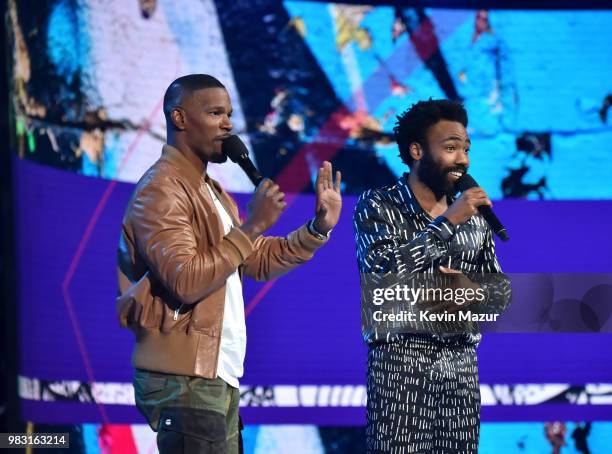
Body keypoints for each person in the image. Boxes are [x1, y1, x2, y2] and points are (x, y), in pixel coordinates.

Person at [116, 74, 342, 453]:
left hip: (216, 371)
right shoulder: (161, 190)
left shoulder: (210, 191)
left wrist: (318, 228)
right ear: (180, 119)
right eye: (216, 112)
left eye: (229, 114)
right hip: (184, 374)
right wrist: (253, 224)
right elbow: (185, 280)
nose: (228, 124)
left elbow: (255, 258)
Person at [354, 99, 510, 453]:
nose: (463, 160)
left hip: (461, 363)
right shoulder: (379, 205)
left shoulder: (475, 214)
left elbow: (500, 295)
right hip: (401, 359)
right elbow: (382, 275)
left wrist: (467, 290)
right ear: (417, 150)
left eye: (466, 148)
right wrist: (447, 223)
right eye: (451, 147)